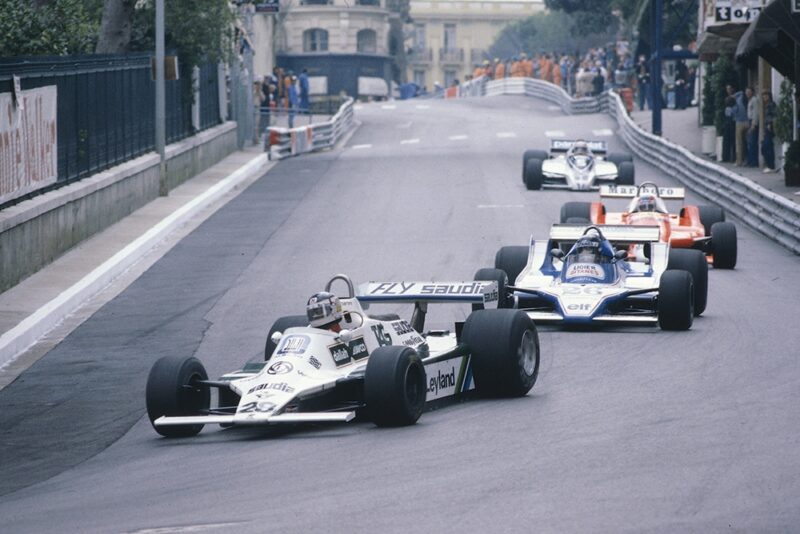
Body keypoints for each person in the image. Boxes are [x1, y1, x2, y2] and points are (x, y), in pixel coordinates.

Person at [762, 90, 777, 173]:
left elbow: (774, 115)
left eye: (766, 96)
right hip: (767, 127)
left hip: (770, 127)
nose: (764, 98)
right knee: (766, 147)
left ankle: (771, 166)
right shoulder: (767, 105)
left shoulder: (771, 105)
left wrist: (770, 124)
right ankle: (769, 165)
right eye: (763, 96)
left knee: (767, 147)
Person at [746, 87, 759, 167]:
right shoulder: (750, 100)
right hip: (749, 120)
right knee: (750, 142)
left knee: (752, 142)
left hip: (753, 121)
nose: (747, 93)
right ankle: (751, 160)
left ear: (752, 92)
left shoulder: (754, 100)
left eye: (749, 92)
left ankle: (753, 161)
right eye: (746, 92)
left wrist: (754, 124)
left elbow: (756, 112)